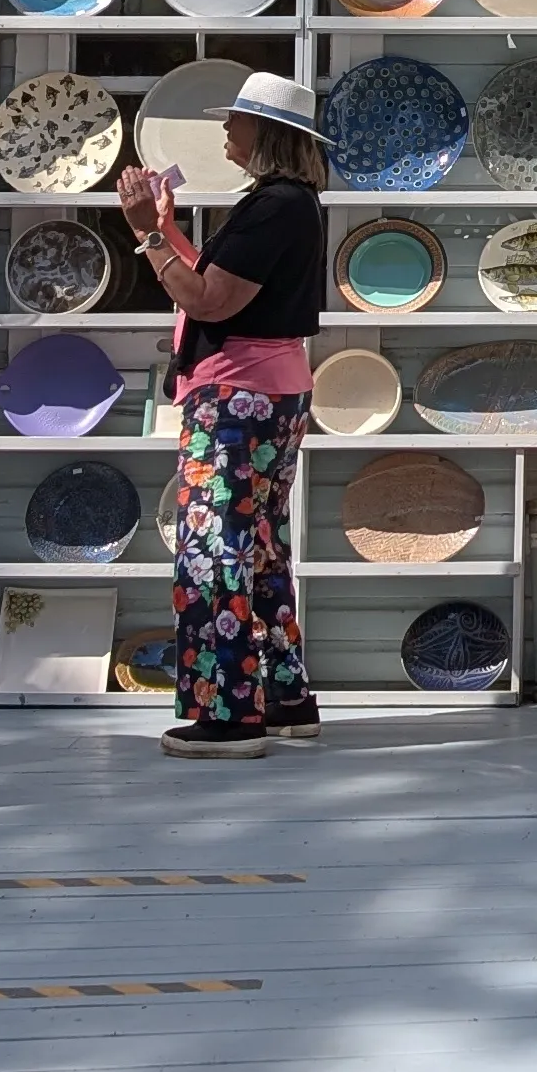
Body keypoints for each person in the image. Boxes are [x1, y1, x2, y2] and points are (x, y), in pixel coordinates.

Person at [118, 70, 328, 760]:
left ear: (265, 132)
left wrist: (149, 239)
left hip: (239, 397)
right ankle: (285, 696)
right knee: (259, 550)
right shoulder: (284, 204)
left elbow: (208, 302)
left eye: (235, 119)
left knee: (216, 552)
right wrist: (165, 231)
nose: (225, 130)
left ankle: (231, 715)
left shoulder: (276, 206)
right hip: (265, 390)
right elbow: (213, 287)